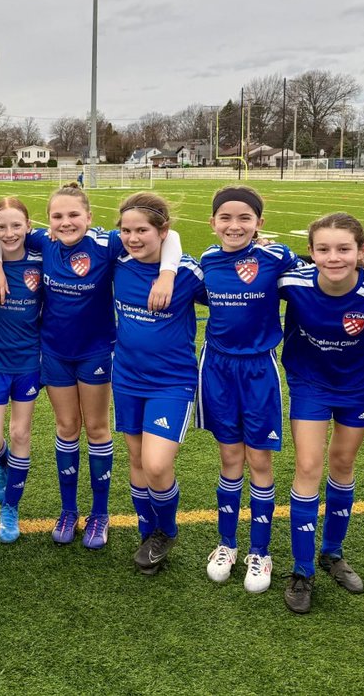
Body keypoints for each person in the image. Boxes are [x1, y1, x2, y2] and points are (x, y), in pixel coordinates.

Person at [0, 182, 179, 550]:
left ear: (89, 217)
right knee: (66, 427)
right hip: (55, 351)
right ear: (48, 221)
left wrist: (167, 274)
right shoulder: (43, 242)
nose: (66, 222)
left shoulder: (107, 243)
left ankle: (100, 513)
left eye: (74, 215)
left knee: (97, 428)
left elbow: (171, 236)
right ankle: (68, 510)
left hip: (96, 352)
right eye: (57, 216)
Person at [277, 213, 364, 613]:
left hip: (357, 386)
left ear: (362, 251)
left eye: (344, 249)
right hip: (309, 383)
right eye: (323, 249)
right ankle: (302, 569)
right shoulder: (292, 282)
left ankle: (332, 552)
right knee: (308, 466)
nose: (333, 257)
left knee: (342, 463)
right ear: (310, 252)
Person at [196, 186, 302, 593]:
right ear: (213, 223)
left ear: (259, 223)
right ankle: (227, 544)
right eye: (225, 217)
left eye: (245, 218)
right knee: (229, 457)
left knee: (259, 458)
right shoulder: (207, 260)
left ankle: (260, 550)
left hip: (259, 369)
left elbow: (319, 267)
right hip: (217, 368)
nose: (234, 225)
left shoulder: (276, 257)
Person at [111, 193, 207, 574]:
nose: (133, 238)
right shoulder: (117, 262)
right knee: (136, 460)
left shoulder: (187, 272)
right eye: (126, 230)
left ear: (162, 231)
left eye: (142, 230)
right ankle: (146, 531)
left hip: (172, 382)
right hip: (126, 377)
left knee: (155, 464)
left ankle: (166, 530)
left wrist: (168, 273)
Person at [0, 197, 43, 544]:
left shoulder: (41, 260)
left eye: (17, 225)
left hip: (29, 361)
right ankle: (3, 464)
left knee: (20, 434)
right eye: (1, 226)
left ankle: (11, 508)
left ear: (28, 226)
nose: (10, 232)